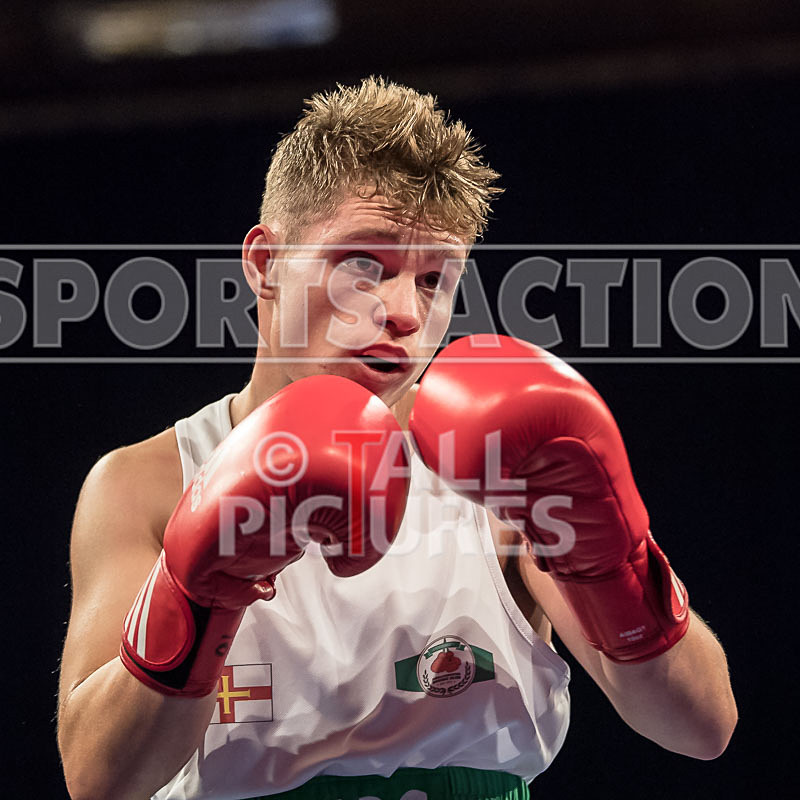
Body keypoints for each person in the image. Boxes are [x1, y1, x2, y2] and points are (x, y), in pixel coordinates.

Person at [57, 77, 737, 800]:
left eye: (435, 279)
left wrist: (614, 563)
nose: (404, 312)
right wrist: (198, 589)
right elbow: (101, 782)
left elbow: (699, 729)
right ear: (264, 265)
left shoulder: (499, 477)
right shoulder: (147, 485)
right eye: (363, 266)